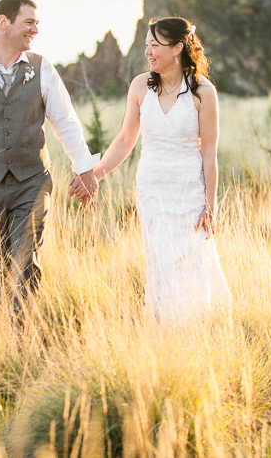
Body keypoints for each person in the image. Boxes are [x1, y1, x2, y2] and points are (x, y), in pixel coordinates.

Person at [0, 0, 99, 313]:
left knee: (26, 257)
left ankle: (23, 337)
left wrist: (84, 167)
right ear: (4, 23)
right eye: (29, 22)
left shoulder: (42, 68)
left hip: (33, 182)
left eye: (37, 23)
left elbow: (65, 122)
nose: (35, 30)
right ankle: (3, 333)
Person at [72, 17, 231, 322]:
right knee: (162, 262)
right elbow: (125, 138)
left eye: (155, 45)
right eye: (147, 45)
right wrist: (96, 173)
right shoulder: (140, 87)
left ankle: (198, 329)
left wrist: (211, 205)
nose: (148, 52)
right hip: (152, 191)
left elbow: (209, 152)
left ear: (177, 48)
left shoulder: (203, 92)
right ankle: (164, 333)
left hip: (189, 192)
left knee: (193, 260)